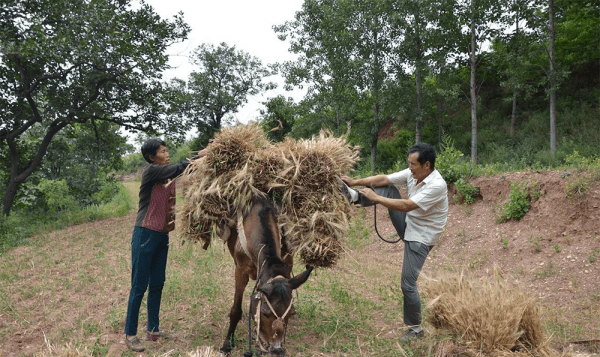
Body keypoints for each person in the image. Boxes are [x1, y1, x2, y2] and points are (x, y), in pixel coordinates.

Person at [339, 142, 448, 343]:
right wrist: (354, 182)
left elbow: (407, 205)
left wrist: (376, 198)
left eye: (413, 164)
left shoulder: (437, 185)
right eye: (409, 164)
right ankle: (353, 197)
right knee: (386, 187)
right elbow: (383, 178)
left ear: (426, 165)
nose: (410, 168)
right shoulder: (413, 173)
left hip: (421, 236)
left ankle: (415, 329)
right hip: (409, 222)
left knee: (407, 284)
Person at [124, 138, 202, 352]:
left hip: (161, 236)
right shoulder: (151, 171)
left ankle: (153, 330)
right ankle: (130, 333)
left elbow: (181, 171)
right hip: (145, 234)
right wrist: (194, 158)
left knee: (157, 283)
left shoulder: (166, 173)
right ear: (151, 157)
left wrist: (200, 160)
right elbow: (178, 168)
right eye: (163, 151)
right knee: (139, 286)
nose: (167, 154)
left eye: (167, 150)